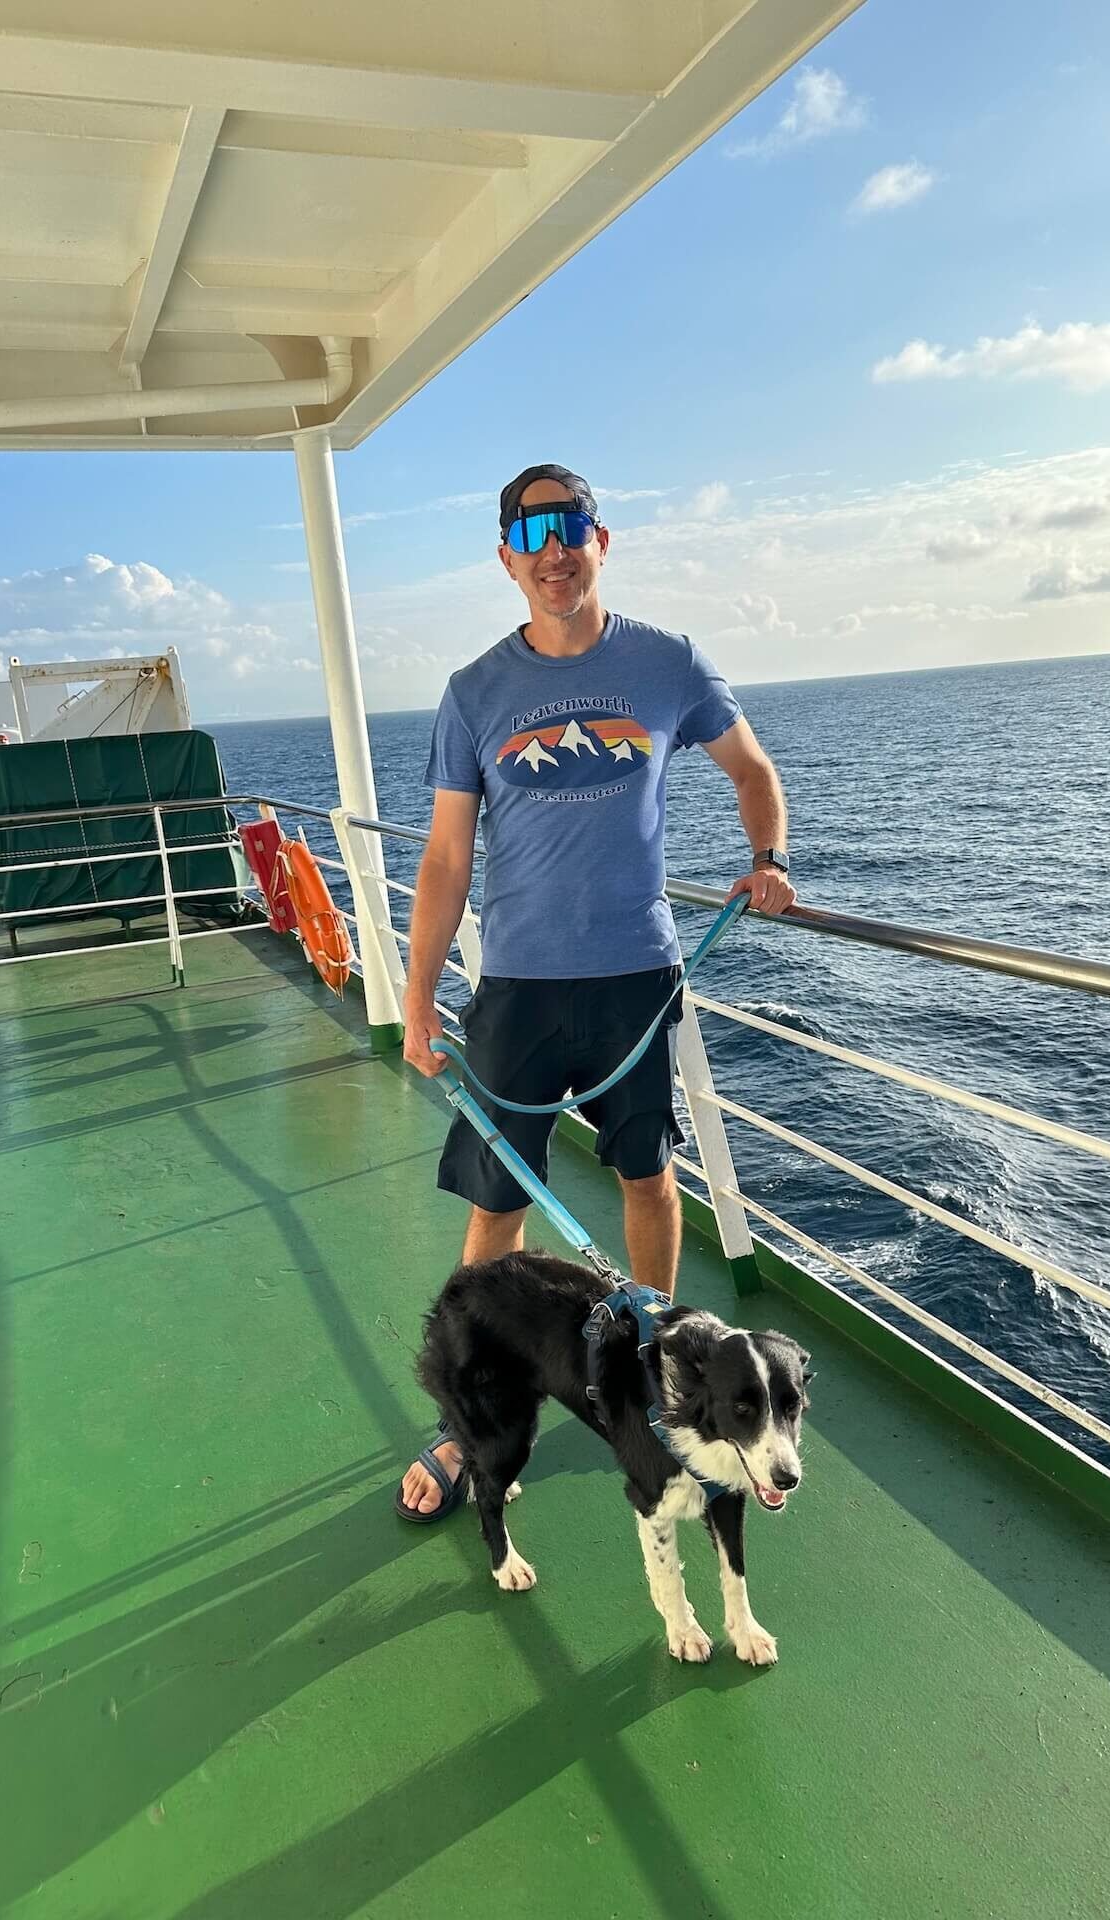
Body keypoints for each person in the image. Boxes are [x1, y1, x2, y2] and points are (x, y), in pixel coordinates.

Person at [397, 463, 796, 1518]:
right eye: (532, 535)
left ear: (601, 541)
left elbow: (753, 771)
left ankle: (662, 1380)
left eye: (570, 527)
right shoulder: (474, 692)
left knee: (649, 1183)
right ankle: (467, 1422)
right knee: (497, 1211)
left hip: (635, 980)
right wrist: (416, 998)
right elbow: (444, 859)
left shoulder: (667, 664)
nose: (554, 549)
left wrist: (769, 856)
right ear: (507, 560)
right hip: (518, 989)